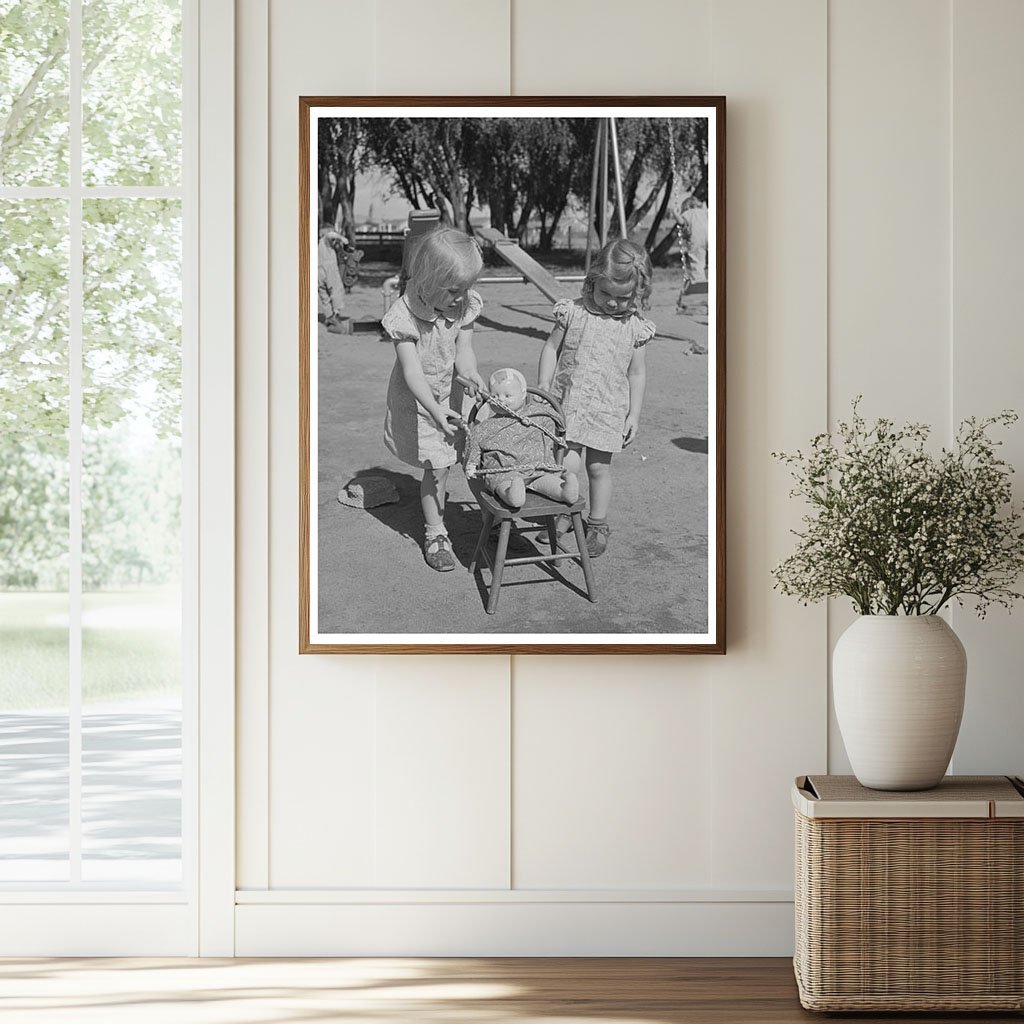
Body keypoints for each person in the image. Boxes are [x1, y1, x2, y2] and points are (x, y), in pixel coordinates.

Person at [537, 238, 656, 558]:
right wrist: (544, 383)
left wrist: (634, 415)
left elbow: (637, 373)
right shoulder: (572, 312)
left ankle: (598, 523)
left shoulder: (635, 328)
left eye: (624, 297)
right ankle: (566, 510)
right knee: (565, 463)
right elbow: (551, 348)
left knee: (598, 468)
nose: (613, 303)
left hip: (608, 409)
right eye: (606, 294)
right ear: (592, 281)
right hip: (569, 403)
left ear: (638, 292)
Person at [382, 227, 486, 572]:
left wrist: (469, 372)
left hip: (452, 393)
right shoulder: (404, 316)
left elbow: (464, 349)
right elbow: (412, 371)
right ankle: (435, 532)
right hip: (421, 402)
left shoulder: (464, 304)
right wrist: (435, 409)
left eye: (466, 288)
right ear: (427, 280)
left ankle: (491, 516)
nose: (462, 297)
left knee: (470, 455)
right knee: (437, 466)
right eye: (454, 290)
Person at [463, 368, 579, 509]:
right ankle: (512, 494)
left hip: (537, 468)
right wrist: (471, 465)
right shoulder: (485, 427)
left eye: (507, 395)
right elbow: (474, 444)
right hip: (504, 473)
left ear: (523, 394)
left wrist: (546, 407)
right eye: (494, 395)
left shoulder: (536, 413)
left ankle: (564, 491)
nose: (501, 399)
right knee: (502, 484)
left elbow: (558, 421)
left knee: (548, 480)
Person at [317, 225, 348, 332]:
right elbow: (330, 235)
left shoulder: (318, 244)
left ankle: (329, 316)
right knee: (336, 290)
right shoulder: (325, 241)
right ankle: (336, 314)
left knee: (323, 294)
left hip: (318, 270)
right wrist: (342, 238)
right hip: (329, 269)